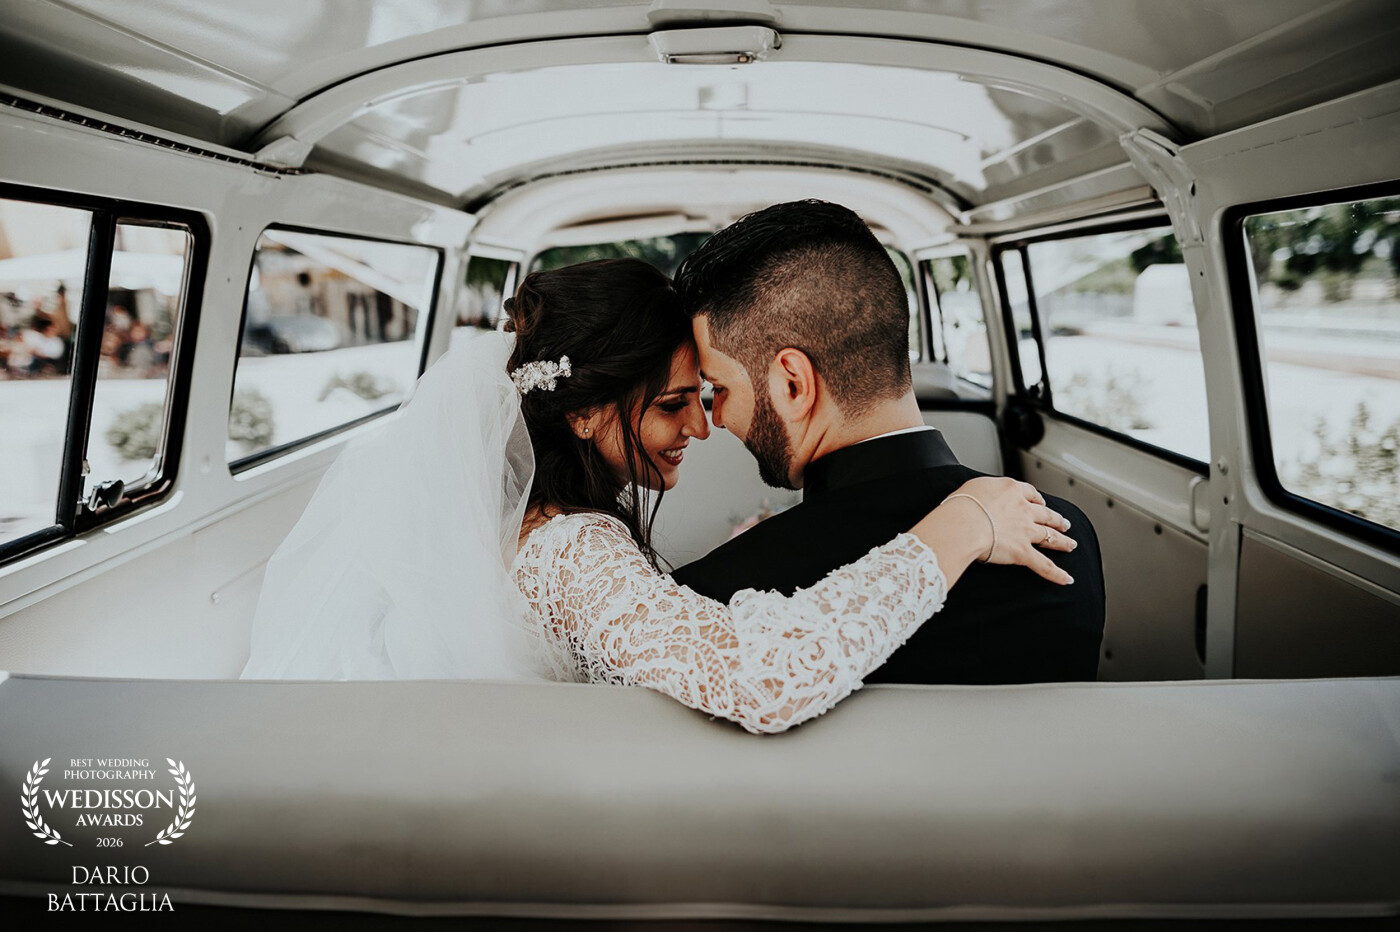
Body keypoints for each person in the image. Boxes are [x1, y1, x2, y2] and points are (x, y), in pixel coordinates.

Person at [242, 259, 1077, 734]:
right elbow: (763, 677)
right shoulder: (573, 549)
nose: (700, 429)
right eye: (674, 404)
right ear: (584, 413)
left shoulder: (540, 528)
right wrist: (961, 526)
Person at [671, 200, 1106, 684]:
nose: (720, 419)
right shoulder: (1067, 536)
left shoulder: (717, 597)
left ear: (792, 383)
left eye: (720, 389)